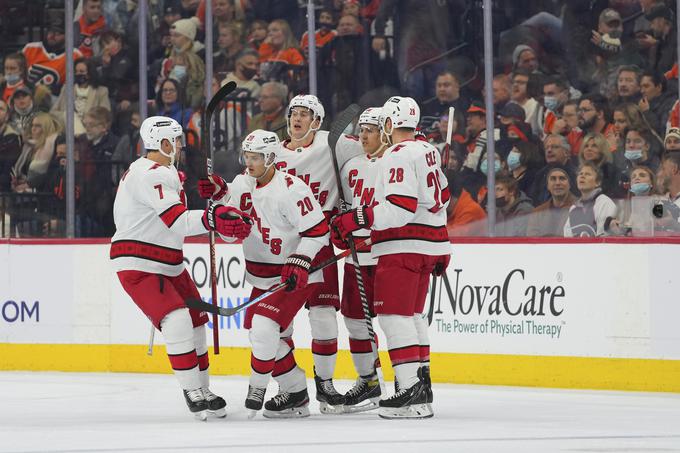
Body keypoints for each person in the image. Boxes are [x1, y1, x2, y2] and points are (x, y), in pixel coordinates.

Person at [206, 94, 362, 413]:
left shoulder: (331, 143)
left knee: (323, 316)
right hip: (278, 253)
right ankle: (292, 390)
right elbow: (237, 193)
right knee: (276, 328)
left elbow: (373, 153)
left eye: (305, 114)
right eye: (293, 113)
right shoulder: (269, 152)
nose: (297, 118)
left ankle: (327, 386)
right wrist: (219, 192)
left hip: (315, 242)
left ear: (317, 121)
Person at [110, 116, 239, 420]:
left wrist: (217, 206)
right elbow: (178, 221)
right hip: (140, 263)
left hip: (169, 262)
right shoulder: (150, 174)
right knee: (178, 319)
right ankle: (192, 390)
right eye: (178, 141)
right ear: (165, 143)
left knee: (195, 321)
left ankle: (204, 390)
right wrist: (212, 217)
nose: (181, 147)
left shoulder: (163, 171)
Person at [332, 96, 450, 419]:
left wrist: (357, 219)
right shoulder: (428, 151)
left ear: (388, 125)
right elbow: (443, 197)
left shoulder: (397, 155)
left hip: (403, 246)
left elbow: (400, 209)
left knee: (394, 318)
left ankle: (410, 391)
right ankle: (421, 385)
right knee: (412, 316)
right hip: (429, 244)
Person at [200, 129, 329, 419]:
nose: (249, 162)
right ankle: (295, 393)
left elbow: (319, 232)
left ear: (271, 158)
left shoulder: (292, 189)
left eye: (256, 157)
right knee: (271, 338)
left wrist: (300, 258)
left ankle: (256, 390)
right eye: (246, 155)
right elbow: (229, 219)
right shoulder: (242, 183)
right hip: (261, 278)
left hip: (292, 275)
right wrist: (219, 196)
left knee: (263, 328)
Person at [335, 107, 386, 413]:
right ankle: (368, 380)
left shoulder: (395, 162)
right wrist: (341, 228)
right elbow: (344, 206)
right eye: (362, 130)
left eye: (371, 130)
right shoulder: (351, 166)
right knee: (354, 320)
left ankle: (412, 380)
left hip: (386, 253)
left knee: (397, 321)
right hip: (356, 257)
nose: (364, 136)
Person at [564, 161, 618, 237]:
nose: (582, 176)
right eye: (580, 174)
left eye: (588, 174)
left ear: (598, 182)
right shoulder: (573, 208)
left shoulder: (605, 203)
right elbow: (567, 237)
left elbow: (604, 237)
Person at [526, 165, 577, 237]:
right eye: (553, 179)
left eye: (562, 179)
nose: (557, 183)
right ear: (548, 186)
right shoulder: (537, 212)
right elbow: (533, 241)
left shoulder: (580, 208)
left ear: (569, 185)